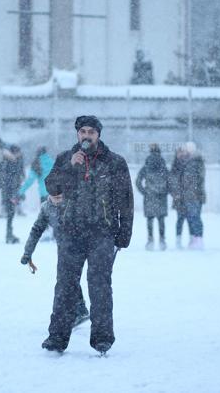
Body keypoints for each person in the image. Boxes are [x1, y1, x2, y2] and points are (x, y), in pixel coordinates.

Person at [42, 115, 133, 354]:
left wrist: (124, 234)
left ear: (98, 135)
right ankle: (57, 337)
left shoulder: (114, 162)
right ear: (77, 134)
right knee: (65, 286)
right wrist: (69, 167)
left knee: (100, 285)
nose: (86, 136)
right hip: (70, 232)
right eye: (83, 131)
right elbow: (51, 186)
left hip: (102, 233)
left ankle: (102, 338)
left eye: (91, 132)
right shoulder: (65, 159)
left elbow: (126, 201)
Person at [21, 194, 89, 327]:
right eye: (55, 198)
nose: (58, 200)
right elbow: (36, 230)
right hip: (64, 246)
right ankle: (81, 310)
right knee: (67, 279)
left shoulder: (73, 203)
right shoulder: (46, 208)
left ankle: (79, 310)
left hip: (79, 244)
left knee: (68, 279)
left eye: (61, 197)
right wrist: (27, 252)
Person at [169, 142, 206, 249]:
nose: (182, 154)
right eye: (180, 152)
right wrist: (176, 193)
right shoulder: (179, 164)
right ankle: (185, 240)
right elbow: (174, 180)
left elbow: (197, 180)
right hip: (182, 196)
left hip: (190, 195)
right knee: (182, 219)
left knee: (193, 217)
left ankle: (196, 239)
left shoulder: (192, 162)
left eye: (184, 151)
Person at [135, 143, 169, 251]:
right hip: (161, 196)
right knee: (161, 219)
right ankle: (162, 241)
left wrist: (144, 191)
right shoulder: (163, 166)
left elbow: (138, 181)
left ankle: (150, 241)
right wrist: (165, 191)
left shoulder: (146, 165)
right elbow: (170, 181)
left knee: (150, 219)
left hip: (149, 196)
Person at [0, 144, 24, 243]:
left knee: (10, 214)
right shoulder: (12, 163)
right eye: (18, 152)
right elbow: (13, 179)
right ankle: (9, 235)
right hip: (11, 191)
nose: (20, 154)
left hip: (7, 191)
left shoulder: (5, 161)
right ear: (15, 152)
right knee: (10, 214)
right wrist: (14, 193)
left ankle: (9, 234)